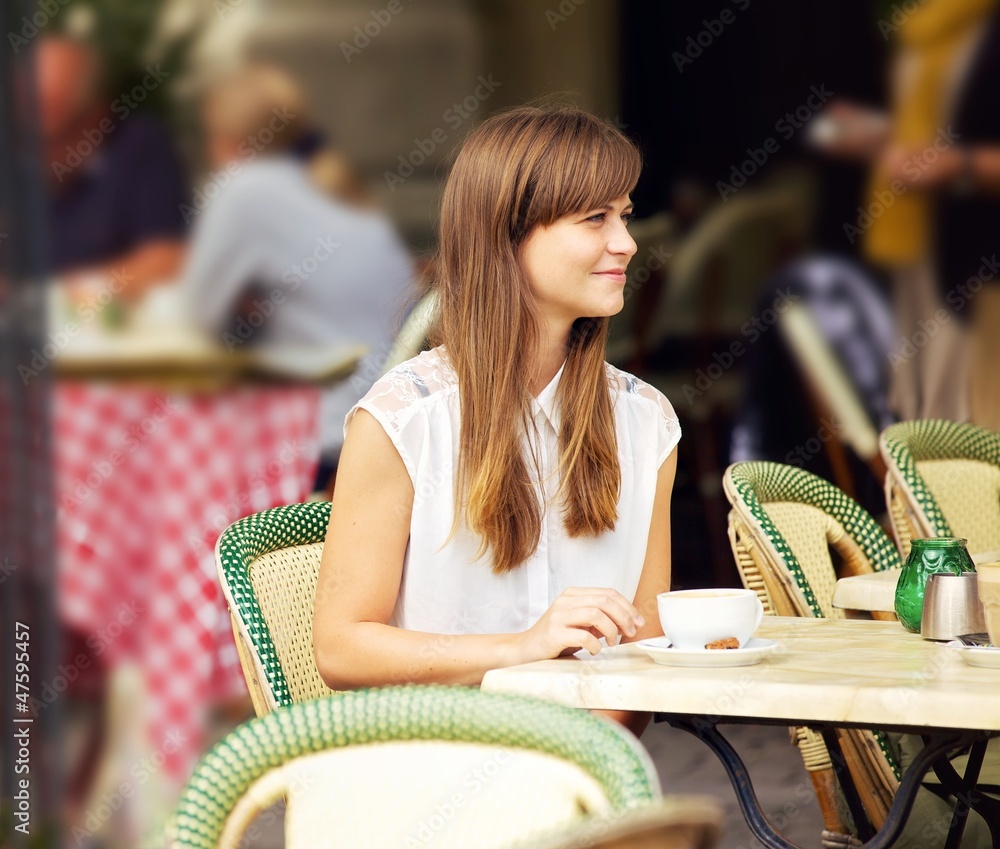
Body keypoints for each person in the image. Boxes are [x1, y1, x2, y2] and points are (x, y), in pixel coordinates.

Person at [313, 106, 680, 734]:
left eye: (624, 215)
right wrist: (518, 649)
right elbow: (341, 648)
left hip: (586, 779)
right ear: (506, 236)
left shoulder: (647, 424)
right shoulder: (402, 421)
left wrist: (587, 755)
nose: (626, 241)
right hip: (428, 782)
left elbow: (645, 646)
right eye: (595, 218)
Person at [181, 64, 414, 477]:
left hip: (325, 438)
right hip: (393, 424)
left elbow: (201, 317)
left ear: (227, 139)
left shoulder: (242, 190)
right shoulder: (333, 183)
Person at [38, 34, 187, 291]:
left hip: (99, 323)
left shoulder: (138, 148)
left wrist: (59, 294)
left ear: (97, 116)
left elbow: (168, 258)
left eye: (55, 137)